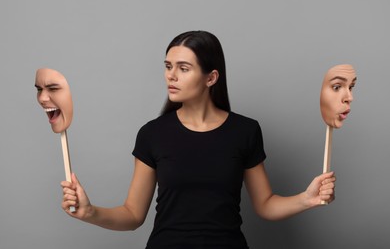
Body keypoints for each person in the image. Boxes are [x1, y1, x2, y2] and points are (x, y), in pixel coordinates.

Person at [61, 31, 336, 249]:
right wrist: (90, 212)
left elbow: (265, 205)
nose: (171, 75)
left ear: (211, 77)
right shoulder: (152, 134)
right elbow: (133, 215)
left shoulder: (245, 131)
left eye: (183, 68)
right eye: (168, 66)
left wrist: (306, 199)